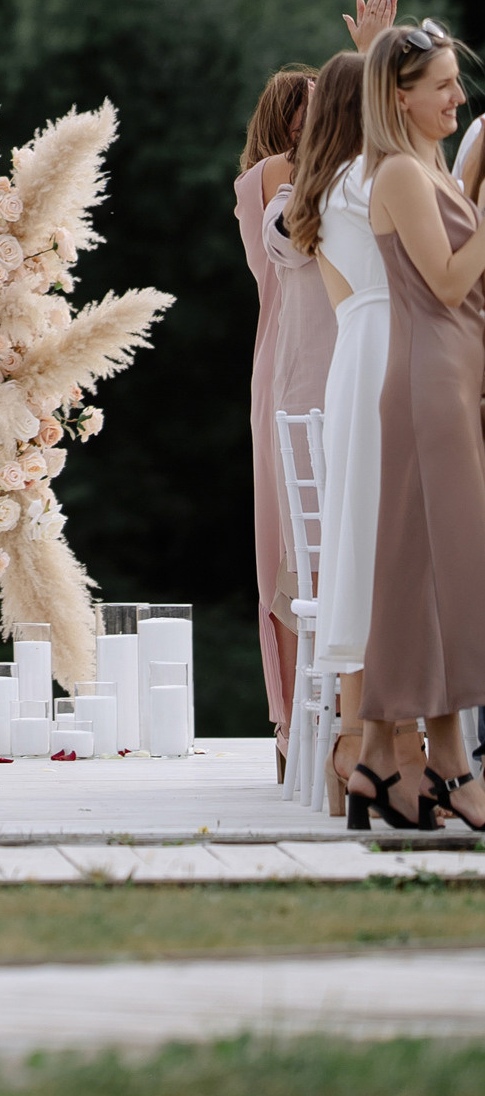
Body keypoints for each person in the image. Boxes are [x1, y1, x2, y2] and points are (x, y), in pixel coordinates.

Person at [353, 23, 485, 833]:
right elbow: (442, 283)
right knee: (446, 570)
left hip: (451, 377)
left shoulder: (429, 167)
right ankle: (451, 764)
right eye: (441, 86)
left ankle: (383, 754)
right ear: (399, 96)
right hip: (429, 379)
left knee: (416, 568)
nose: (457, 98)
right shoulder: (400, 172)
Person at [290, 49, 377, 809]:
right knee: (380, 544)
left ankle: (354, 741)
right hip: (382, 361)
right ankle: (366, 742)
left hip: (352, 360)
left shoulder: (318, 189)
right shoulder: (368, 184)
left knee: (360, 543)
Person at [235, 65, 317, 746]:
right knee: (287, 542)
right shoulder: (269, 175)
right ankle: (290, 718)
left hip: (330, 355)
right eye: (302, 120)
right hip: (288, 363)